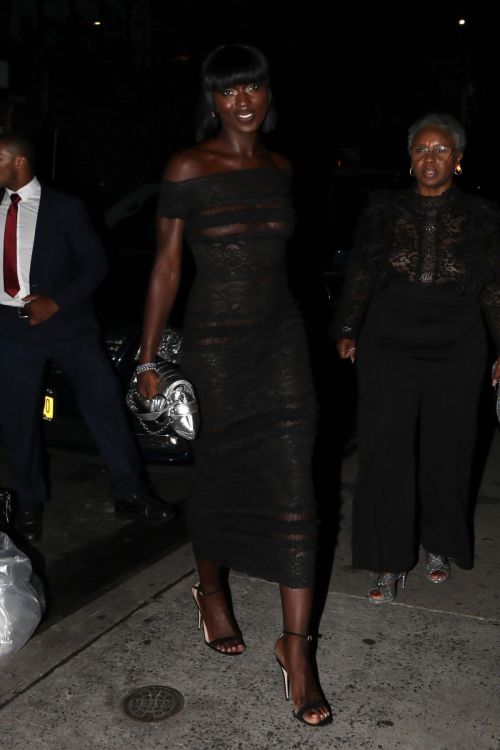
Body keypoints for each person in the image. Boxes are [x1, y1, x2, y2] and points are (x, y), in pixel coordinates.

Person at [137, 44, 331, 726]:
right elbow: (165, 268)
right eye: (227, 92)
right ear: (212, 101)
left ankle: (297, 649)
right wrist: (148, 359)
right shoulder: (188, 167)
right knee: (219, 479)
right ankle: (211, 591)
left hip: (281, 347)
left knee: (296, 488)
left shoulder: (280, 169)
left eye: (252, 87)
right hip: (216, 351)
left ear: (267, 93)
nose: (242, 100)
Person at [333, 113, 500, 604]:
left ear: (459, 160)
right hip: (389, 342)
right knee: (385, 452)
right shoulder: (383, 210)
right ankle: (387, 559)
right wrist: (347, 328)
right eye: (422, 149)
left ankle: (439, 546)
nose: (431, 158)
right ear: (410, 159)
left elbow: (495, 289)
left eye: (441, 150)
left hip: (458, 344)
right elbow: (360, 274)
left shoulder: (483, 216)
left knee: (448, 451)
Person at [0, 132, 176, 542]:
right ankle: (28, 502)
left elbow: (95, 265)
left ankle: (131, 492)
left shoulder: (64, 208)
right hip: (11, 329)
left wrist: (56, 303)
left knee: (104, 404)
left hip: (68, 327)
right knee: (17, 420)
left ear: (19, 162)